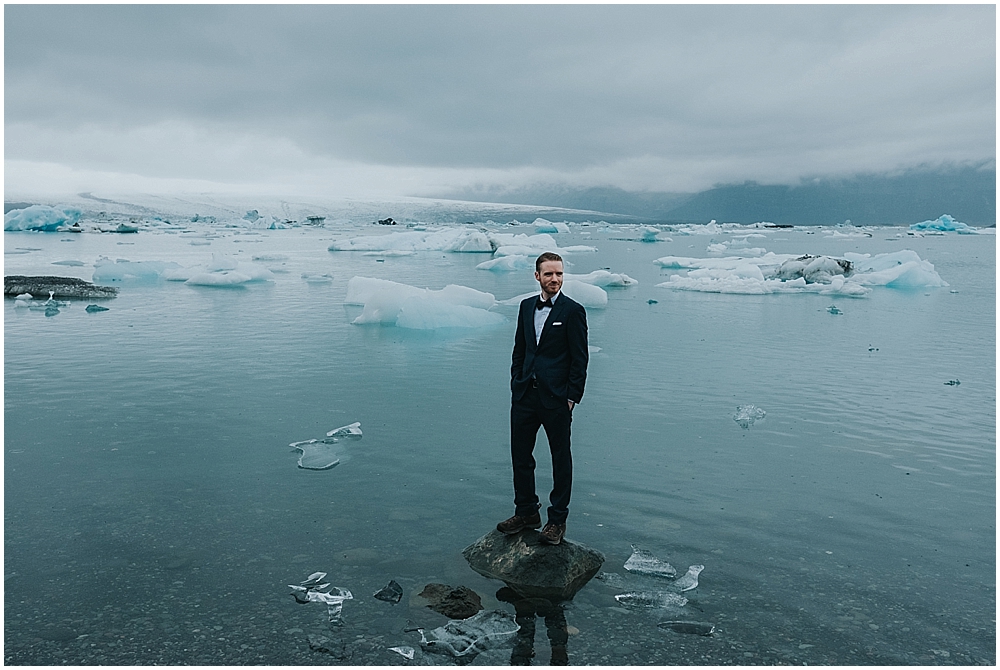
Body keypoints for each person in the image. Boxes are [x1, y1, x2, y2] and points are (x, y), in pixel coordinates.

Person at [497, 252, 588, 545]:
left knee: (560, 459)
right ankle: (526, 512)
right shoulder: (525, 307)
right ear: (537, 276)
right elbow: (520, 350)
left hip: (556, 399)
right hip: (524, 396)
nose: (555, 279)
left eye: (559, 274)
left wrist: (572, 397)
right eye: (548, 274)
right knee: (521, 456)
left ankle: (557, 520)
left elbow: (580, 359)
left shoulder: (573, 311)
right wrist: (516, 382)